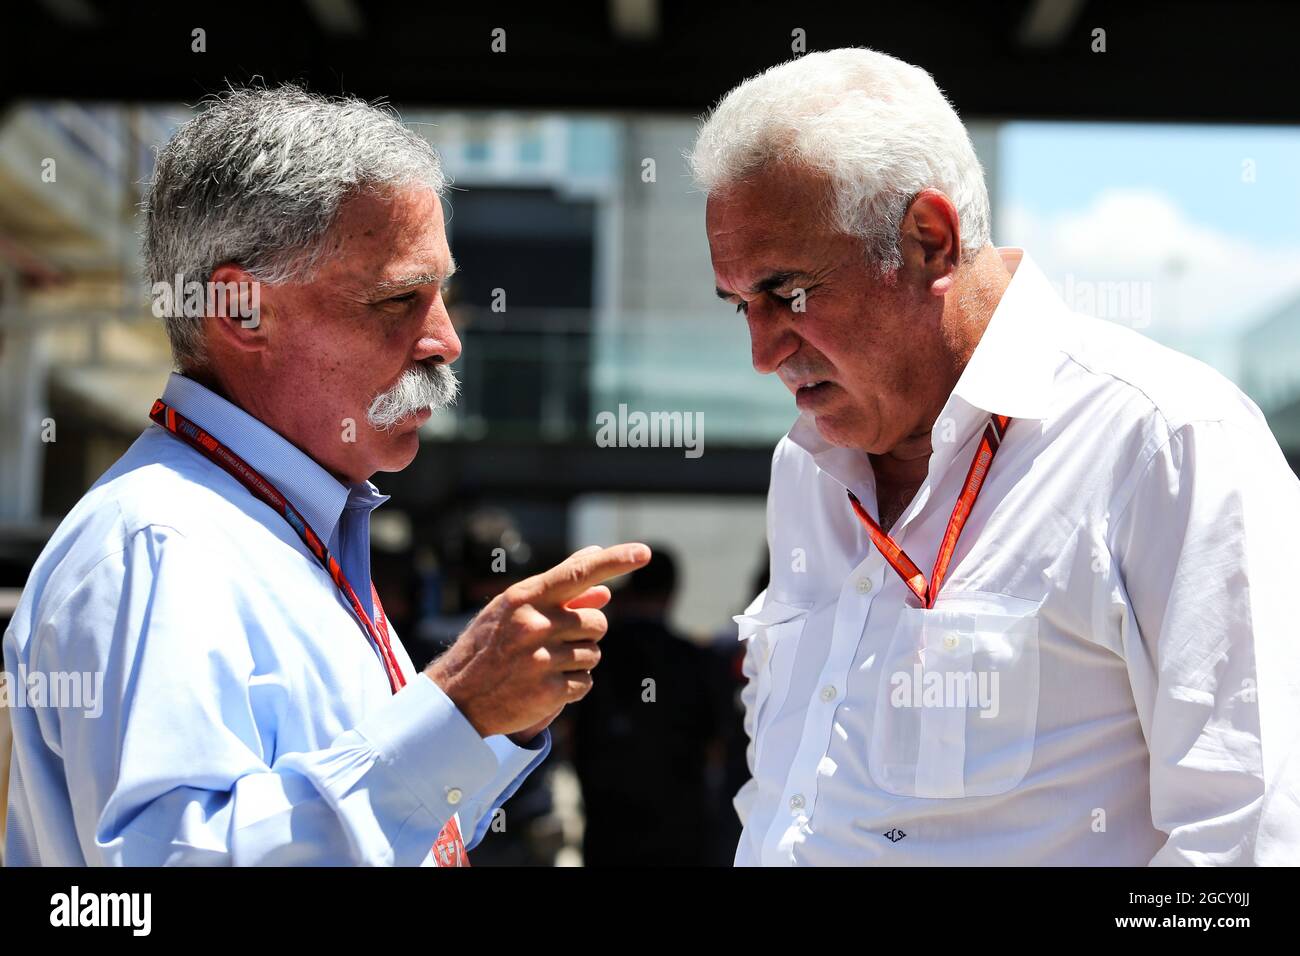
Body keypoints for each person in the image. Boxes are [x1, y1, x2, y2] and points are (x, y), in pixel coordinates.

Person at [2, 85, 649, 866]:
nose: (445, 340)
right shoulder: (162, 544)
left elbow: (367, 836)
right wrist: (455, 710)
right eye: (399, 299)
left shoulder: (282, 526)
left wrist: (488, 722)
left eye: (441, 294)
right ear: (242, 311)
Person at [689, 48, 1300, 865]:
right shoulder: (805, 467)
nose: (763, 353)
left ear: (929, 240)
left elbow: (1250, 840)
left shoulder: (1167, 439)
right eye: (739, 306)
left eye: (789, 293)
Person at [570, 548, 722, 866]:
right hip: (678, 827)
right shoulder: (693, 660)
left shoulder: (594, 656)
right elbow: (715, 743)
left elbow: (569, 731)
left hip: (608, 825)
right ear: (672, 593)